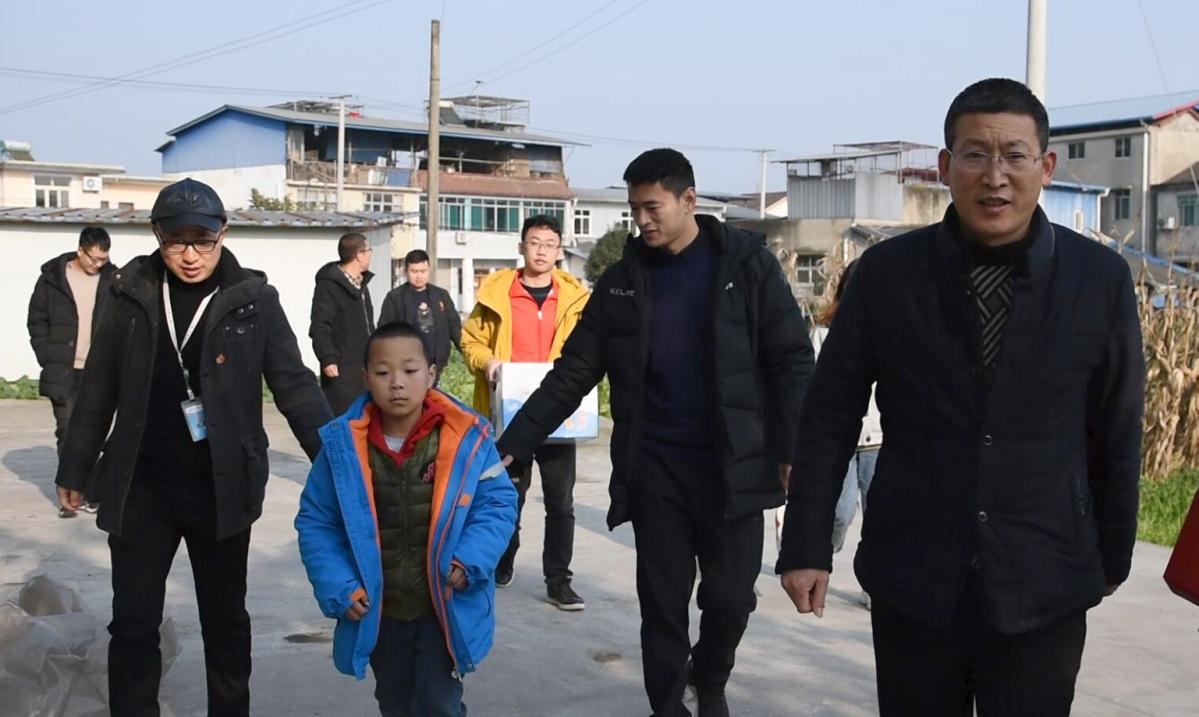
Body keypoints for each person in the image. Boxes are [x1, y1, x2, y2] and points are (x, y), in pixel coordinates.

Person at [778, 78, 1145, 716]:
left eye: (1014, 156)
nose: (994, 176)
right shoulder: (887, 276)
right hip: (914, 575)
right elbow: (830, 414)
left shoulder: (1099, 280)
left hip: (1045, 577)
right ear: (947, 167)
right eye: (975, 155)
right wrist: (807, 543)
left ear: (1045, 167)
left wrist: (1112, 554)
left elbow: (1116, 427)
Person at [496, 149, 813, 717]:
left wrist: (792, 449)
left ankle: (709, 677)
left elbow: (791, 359)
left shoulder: (746, 266)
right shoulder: (622, 282)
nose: (641, 220)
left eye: (651, 207)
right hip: (656, 468)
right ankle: (667, 706)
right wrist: (513, 444)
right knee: (662, 604)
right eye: (633, 209)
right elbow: (573, 373)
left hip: (733, 466)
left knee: (731, 598)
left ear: (688, 200)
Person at [54, 177, 333, 716]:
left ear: (222, 233)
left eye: (202, 241)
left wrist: (338, 464)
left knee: (225, 621)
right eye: (176, 241)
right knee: (133, 622)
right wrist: (75, 465)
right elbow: (98, 388)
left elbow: (295, 386)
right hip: (141, 488)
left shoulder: (253, 300)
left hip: (221, 489)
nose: (189, 255)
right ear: (156, 234)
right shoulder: (128, 294)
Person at [295, 321, 517, 717]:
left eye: (410, 370)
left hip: (441, 608)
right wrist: (339, 586)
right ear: (365, 378)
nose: (397, 383)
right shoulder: (343, 447)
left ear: (431, 374)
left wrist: (471, 558)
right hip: (380, 613)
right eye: (383, 372)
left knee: (439, 703)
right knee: (394, 702)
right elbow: (317, 521)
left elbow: (497, 503)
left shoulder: (467, 438)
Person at [459, 214, 591, 609]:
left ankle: (559, 579)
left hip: (559, 416)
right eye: (534, 243)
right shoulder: (496, 295)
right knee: (507, 496)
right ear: (521, 247)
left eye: (549, 245)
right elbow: (471, 341)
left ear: (559, 251)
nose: (541, 251)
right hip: (510, 414)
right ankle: (503, 560)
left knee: (560, 503)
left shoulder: (575, 300)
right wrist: (487, 362)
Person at [27, 226, 115, 517]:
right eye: (93, 258)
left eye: (103, 259)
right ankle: (71, 493)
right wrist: (47, 355)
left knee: (96, 433)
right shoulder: (53, 279)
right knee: (67, 431)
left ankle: (88, 490)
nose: (97, 264)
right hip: (63, 370)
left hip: (98, 371)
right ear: (80, 251)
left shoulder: (113, 280)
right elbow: (37, 320)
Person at [311, 232, 376, 414]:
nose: (370, 255)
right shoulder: (329, 286)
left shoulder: (361, 284)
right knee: (344, 420)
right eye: (369, 250)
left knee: (366, 419)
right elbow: (319, 326)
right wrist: (327, 358)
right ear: (359, 255)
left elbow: (369, 325)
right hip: (341, 370)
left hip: (365, 367)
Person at [379, 249, 461, 381]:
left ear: (429, 270)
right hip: (406, 364)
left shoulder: (440, 295)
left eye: (423, 271)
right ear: (406, 271)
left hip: (436, 363)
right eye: (414, 271)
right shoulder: (395, 298)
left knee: (433, 394)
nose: (419, 276)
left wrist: (466, 350)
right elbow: (384, 331)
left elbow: (454, 326)